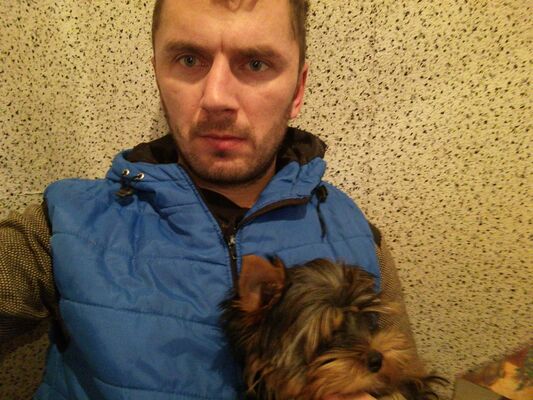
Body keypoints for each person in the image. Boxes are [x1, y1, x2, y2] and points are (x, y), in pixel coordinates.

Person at [0, 1, 415, 399]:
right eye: (189, 60)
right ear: (158, 75)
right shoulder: (60, 228)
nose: (217, 98)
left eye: (256, 64)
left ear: (298, 89)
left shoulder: (360, 238)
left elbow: (408, 382)